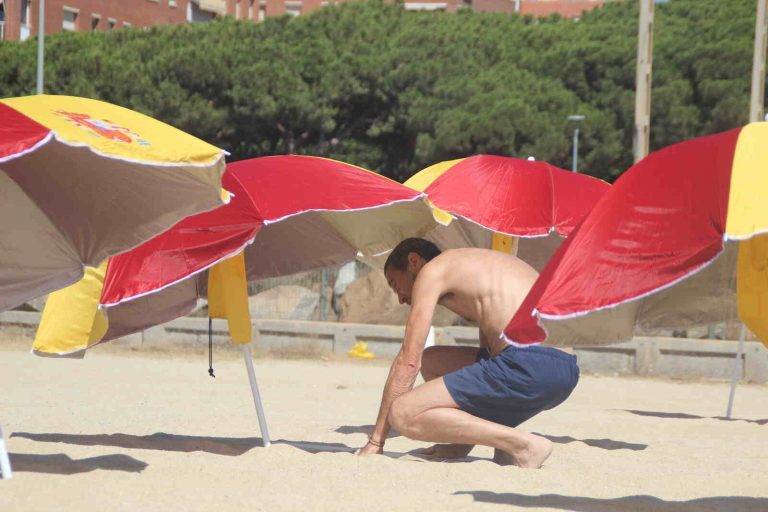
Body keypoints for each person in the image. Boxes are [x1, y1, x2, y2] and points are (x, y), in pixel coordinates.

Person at [355, 238, 579, 468]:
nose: (400, 298)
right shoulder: (476, 266)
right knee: (433, 360)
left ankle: (523, 445)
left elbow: (408, 362)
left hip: (529, 363)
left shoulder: (432, 271)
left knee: (403, 413)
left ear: (414, 261)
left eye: (395, 284)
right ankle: (468, 444)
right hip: (564, 369)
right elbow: (488, 360)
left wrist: (376, 441)